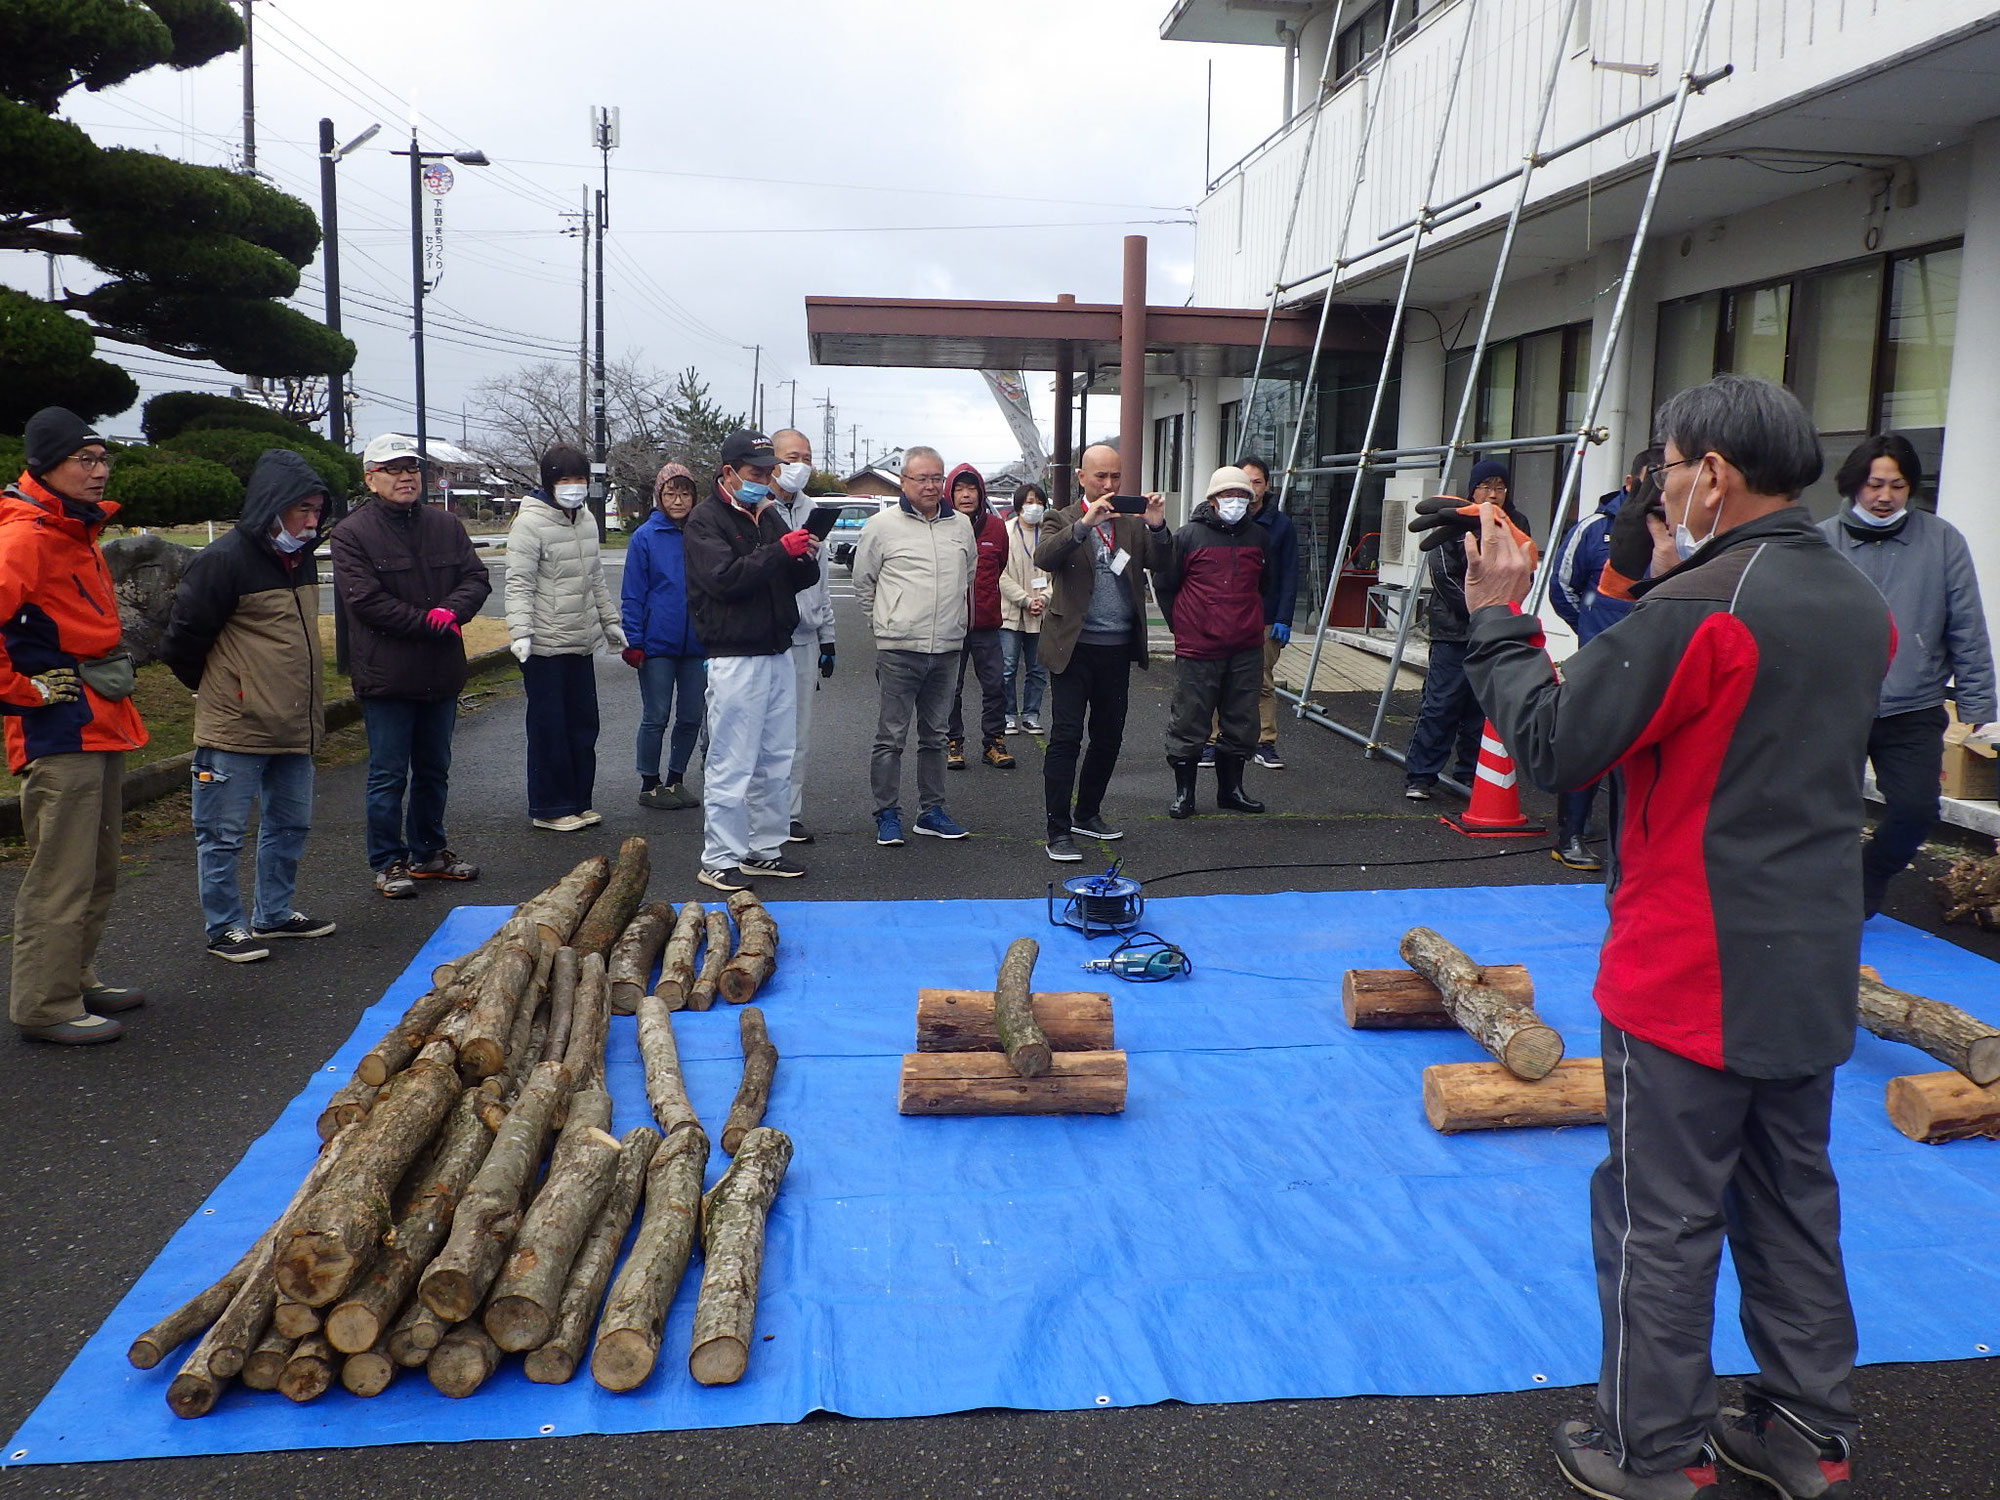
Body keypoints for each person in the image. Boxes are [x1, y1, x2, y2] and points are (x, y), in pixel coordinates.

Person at [1461, 374, 1887, 1500]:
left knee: (1658, 1216)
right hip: (1805, 953)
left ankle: (1649, 1448)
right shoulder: (1852, 596)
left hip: (1689, 963)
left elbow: (1553, 745)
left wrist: (1498, 619)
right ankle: (1807, 1431)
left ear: (1710, 474)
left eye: (1663, 468)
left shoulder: (1703, 607)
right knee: (1791, 1198)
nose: (1656, 488)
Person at [0, 408, 148, 1044]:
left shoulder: (70, 529)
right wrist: (21, 689)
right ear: (45, 465)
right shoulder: (25, 537)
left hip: (97, 718)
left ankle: (75, 976)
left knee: (96, 866)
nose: (98, 471)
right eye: (83, 460)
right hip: (58, 730)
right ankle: (44, 1004)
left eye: (102, 458)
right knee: (62, 872)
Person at [160, 450, 336, 963]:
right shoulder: (222, 560)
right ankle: (224, 927)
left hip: (295, 724)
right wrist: (225, 688)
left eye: (317, 510)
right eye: (301, 508)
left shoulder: (301, 557)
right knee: (221, 834)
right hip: (234, 727)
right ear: (271, 505)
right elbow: (182, 642)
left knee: (290, 825)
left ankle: (274, 914)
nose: (310, 520)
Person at [1818, 433, 1996, 918]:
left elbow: (1968, 624)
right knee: (1827, 814)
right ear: (1854, 484)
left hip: (1913, 705)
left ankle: (1870, 873)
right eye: (1875, 484)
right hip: (1834, 706)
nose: (1884, 497)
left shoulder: (1942, 541)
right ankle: (1824, 896)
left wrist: (1980, 706)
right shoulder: (1820, 542)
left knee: (1916, 810)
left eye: (1897, 486)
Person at [330, 432, 492, 899]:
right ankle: (388, 861)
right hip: (388, 675)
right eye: (394, 469)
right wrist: (427, 622)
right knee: (387, 773)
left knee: (434, 768)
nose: (405, 477)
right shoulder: (352, 532)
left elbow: (474, 577)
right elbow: (365, 602)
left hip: (440, 672)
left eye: (412, 468)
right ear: (371, 478)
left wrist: (453, 612)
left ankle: (429, 852)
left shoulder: (444, 524)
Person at [682, 429, 820, 890]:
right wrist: (779, 552)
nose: (764, 479)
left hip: (777, 646)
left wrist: (801, 553)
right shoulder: (705, 520)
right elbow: (724, 580)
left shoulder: (767, 515)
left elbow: (801, 577)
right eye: (755, 472)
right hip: (734, 653)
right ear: (728, 472)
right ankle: (719, 856)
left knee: (776, 757)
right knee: (732, 759)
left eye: (769, 471)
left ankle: (765, 848)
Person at [1034, 442, 1170, 862]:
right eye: (1101, 476)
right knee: (1066, 737)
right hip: (1072, 647)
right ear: (1082, 478)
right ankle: (1057, 830)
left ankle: (1087, 813)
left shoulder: (1130, 523)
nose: (1109, 484)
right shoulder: (1062, 517)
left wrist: (1157, 526)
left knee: (1109, 736)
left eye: (1115, 477)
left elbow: (1162, 563)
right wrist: (1084, 526)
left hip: (1116, 648)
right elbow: (1044, 557)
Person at [851, 446, 976, 846]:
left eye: (936, 478)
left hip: (947, 648)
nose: (930, 485)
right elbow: (863, 582)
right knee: (891, 737)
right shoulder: (881, 526)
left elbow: (968, 576)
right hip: (899, 648)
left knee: (936, 735)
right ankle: (887, 814)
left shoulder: (960, 526)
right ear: (903, 481)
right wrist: (886, 624)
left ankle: (932, 811)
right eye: (921, 478)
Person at [1546, 447, 1663, 871]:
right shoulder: (1593, 529)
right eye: (1650, 482)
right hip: (1599, 663)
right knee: (1588, 750)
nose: (1658, 492)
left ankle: (1635, 847)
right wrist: (1592, 630)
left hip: (1655, 666)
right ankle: (1571, 836)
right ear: (1630, 484)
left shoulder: (1683, 535)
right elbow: (1562, 588)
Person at [505, 443, 626, 832]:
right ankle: (548, 807)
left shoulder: (586, 520)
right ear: (548, 483)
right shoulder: (529, 523)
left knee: (583, 725)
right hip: (543, 645)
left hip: (579, 640)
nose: (573, 487)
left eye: (579, 479)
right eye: (564, 480)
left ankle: (577, 801)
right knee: (548, 728)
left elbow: (594, 580)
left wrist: (610, 622)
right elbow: (519, 583)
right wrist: (520, 632)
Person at [1402, 459, 1532, 801]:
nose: (1493, 494)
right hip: (1453, 630)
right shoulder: (1454, 519)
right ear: (1472, 490)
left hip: (1494, 632)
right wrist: (1480, 608)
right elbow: (1443, 574)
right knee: (1441, 703)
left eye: (1499, 487)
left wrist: (1497, 613)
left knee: (1480, 707)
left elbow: (1523, 571)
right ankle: (1421, 774)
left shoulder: (1515, 523)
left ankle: (1470, 774)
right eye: (1485, 487)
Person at [1155, 467, 1273, 819]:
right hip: (1198, 647)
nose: (1235, 502)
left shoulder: (1259, 537)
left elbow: (1264, 584)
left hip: (1245, 646)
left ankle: (1231, 790)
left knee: (1242, 721)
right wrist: (1183, 625)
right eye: (1228, 496)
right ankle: (1184, 793)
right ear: (1212, 500)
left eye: (1242, 496)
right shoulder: (1189, 536)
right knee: (1190, 720)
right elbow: (1165, 584)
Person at [1202, 456, 1297, 770]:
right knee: (1219, 679)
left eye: (1257, 482)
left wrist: (1283, 618)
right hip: (1223, 615)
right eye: (1245, 482)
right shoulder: (1216, 523)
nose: (1251, 489)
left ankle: (1264, 742)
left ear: (1267, 485)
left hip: (1264, 617)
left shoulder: (1281, 526)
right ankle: (1214, 741)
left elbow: (1288, 574)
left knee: (1262, 682)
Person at [621, 462, 704, 812]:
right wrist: (634, 640)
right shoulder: (645, 537)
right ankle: (649, 781)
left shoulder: (702, 534)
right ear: (659, 496)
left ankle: (676, 777)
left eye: (685, 493)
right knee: (656, 713)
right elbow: (633, 593)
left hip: (698, 643)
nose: (679, 500)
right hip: (656, 644)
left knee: (691, 715)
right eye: (671, 493)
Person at [770, 429, 836, 843]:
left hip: (806, 636)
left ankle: (789, 813)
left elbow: (822, 583)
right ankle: (758, 811)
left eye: (808, 458)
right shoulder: (758, 507)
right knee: (763, 732)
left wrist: (828, 636)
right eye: (794, 457)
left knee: (799, 734)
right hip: (764, 637)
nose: (802, 466)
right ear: (773, 461)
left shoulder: (814, 511)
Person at [943, 463, 1014, 771]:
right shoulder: (942, 526)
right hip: (951, 624)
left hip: (987, 625)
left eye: (971, 488)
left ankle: (994, 743)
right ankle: (953, 742)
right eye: (959, 489)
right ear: (950, 494)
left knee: (995, 685)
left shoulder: (997, 528)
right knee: (950, 687)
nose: (966, 494)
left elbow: (1000, 565)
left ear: (981, 493)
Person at [998, 481, 1051, 734]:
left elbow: (1059, 574)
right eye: (1030, 501)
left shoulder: (1050, 533)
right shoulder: (1005, 532)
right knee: (1007, 667)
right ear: (1019, 505)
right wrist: (1025, 600)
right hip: (1010, 612)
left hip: (1041, 612)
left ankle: (1031, 715)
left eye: (1039, 502)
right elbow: (1000, 574)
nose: (1035, 506)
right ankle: (1007, 715)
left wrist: (1045, 599)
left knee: (1038, 669)